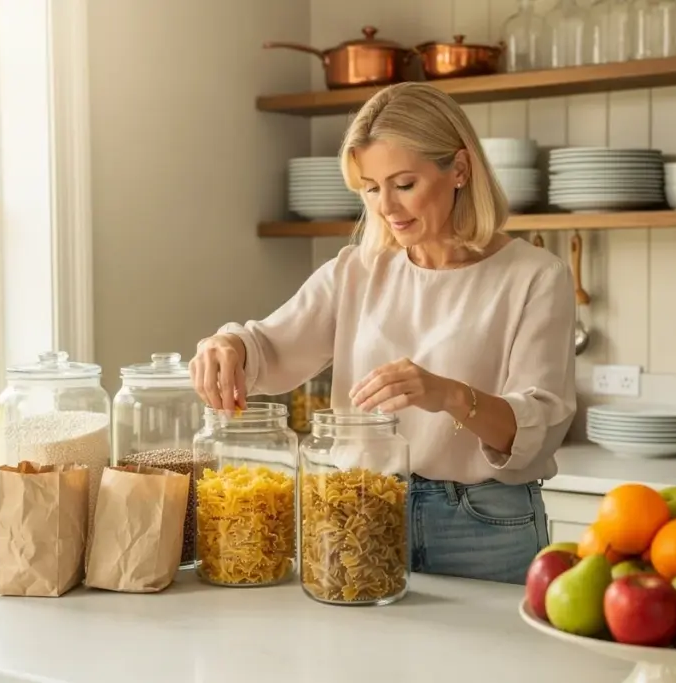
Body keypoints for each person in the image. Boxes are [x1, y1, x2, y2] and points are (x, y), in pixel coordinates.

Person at [190, 81, 577, 585]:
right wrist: (228, 344)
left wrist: (448, 394)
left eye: (404, 183)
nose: (386, 207)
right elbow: (268, 349)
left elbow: (539, 426)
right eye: (371, 188)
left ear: (459, 169)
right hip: (361, 511)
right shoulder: (356, 271)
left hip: (484, 524)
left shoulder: (535, 277)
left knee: (495, 663)